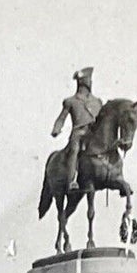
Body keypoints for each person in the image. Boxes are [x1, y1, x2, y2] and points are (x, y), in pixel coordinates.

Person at [51, 67, 102, 197]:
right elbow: (61, 118)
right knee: (74, 150)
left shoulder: (97, 102)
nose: (91, 83)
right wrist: (57, 128)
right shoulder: (71, 101)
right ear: (83, 82)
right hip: (79, 133)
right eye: (88, 80)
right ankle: (72, 180)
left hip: (94, 135)